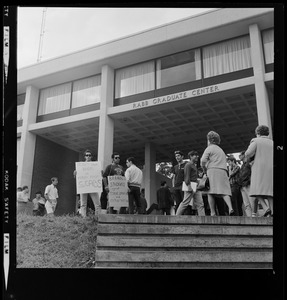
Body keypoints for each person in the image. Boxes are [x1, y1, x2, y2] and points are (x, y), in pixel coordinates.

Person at [200, 131, 234, 216]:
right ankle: (230, 208)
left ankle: (213, 212)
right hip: (223, 171)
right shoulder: (221, 150)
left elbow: (203, 160)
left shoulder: (209, 148)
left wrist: (204, 168)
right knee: (224, 191)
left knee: (210, 192)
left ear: (209, 140)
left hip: (213, 170)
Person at [244, 125, 273, 216]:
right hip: (271, 169)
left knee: (256, 190)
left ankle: (265, 208)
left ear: (258, 133)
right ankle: (272, 212)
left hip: (259, 169)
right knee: (269, 192)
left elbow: (248, 153)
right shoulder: (272, 143)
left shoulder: (256, 141)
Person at [73, 149, 102, 217]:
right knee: (83, 204)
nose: (88, 157)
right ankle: (84, 219)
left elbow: (99, 176)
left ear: (91, 156)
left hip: (93, 186)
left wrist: (100, 173)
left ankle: (97, 218)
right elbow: (77, 177)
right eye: (87, 155)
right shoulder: (81, 165)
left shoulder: (95, 165)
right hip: (84, 186)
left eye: (89, 155)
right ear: (84, 157)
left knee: (97, 204)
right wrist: (75, 174)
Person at [176, 151, 205, 216]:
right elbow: (187, 176)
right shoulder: (188, 165)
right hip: (190, 185)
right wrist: (188, 186)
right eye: (195, 155)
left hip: (195, 186)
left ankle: (203, 219)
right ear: (191, 156)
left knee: (200, 203)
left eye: (197, 155)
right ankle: (176, 216)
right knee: (185, 202)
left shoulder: (193, 165)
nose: (197, 156)